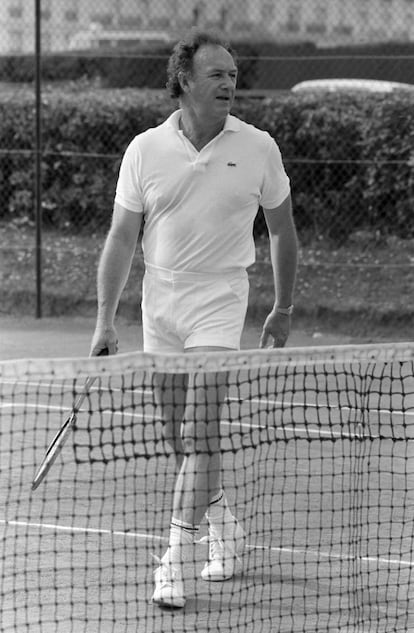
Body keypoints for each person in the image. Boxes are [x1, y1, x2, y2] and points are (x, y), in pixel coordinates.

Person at [90, 29, 298, 608]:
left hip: (219, 298)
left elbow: (282, 230)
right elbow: (121, 237)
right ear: (185, 80)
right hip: (161, 300)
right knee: (177, 436)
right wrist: (106, 319)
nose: (230, 82)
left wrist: (281, 308)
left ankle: (173, 562)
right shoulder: (144, 150)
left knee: (199, 432)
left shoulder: (258, 146)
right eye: (217, 74)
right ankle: (224, 525)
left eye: (233, 74)